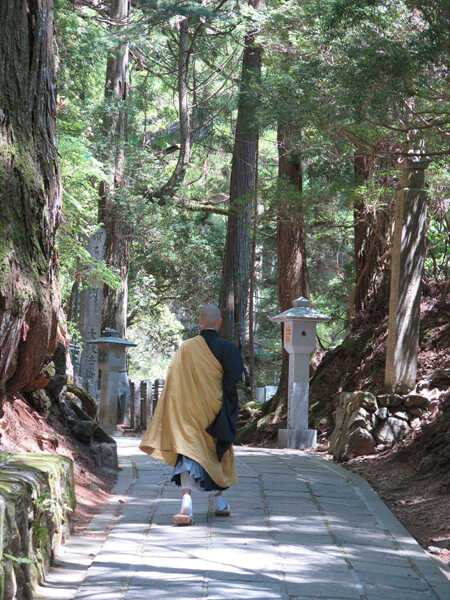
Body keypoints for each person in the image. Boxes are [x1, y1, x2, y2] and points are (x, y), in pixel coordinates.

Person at [140, 304, 244, 526]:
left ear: (199, 321)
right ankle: (219, 502)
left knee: (188, 453)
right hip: (215, 411)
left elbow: (174, 380)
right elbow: (234, 377)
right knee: (217, 453)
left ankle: (186, 501)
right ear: (219, 322)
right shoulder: (227, 348)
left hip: (188, 411)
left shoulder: (186, 348)